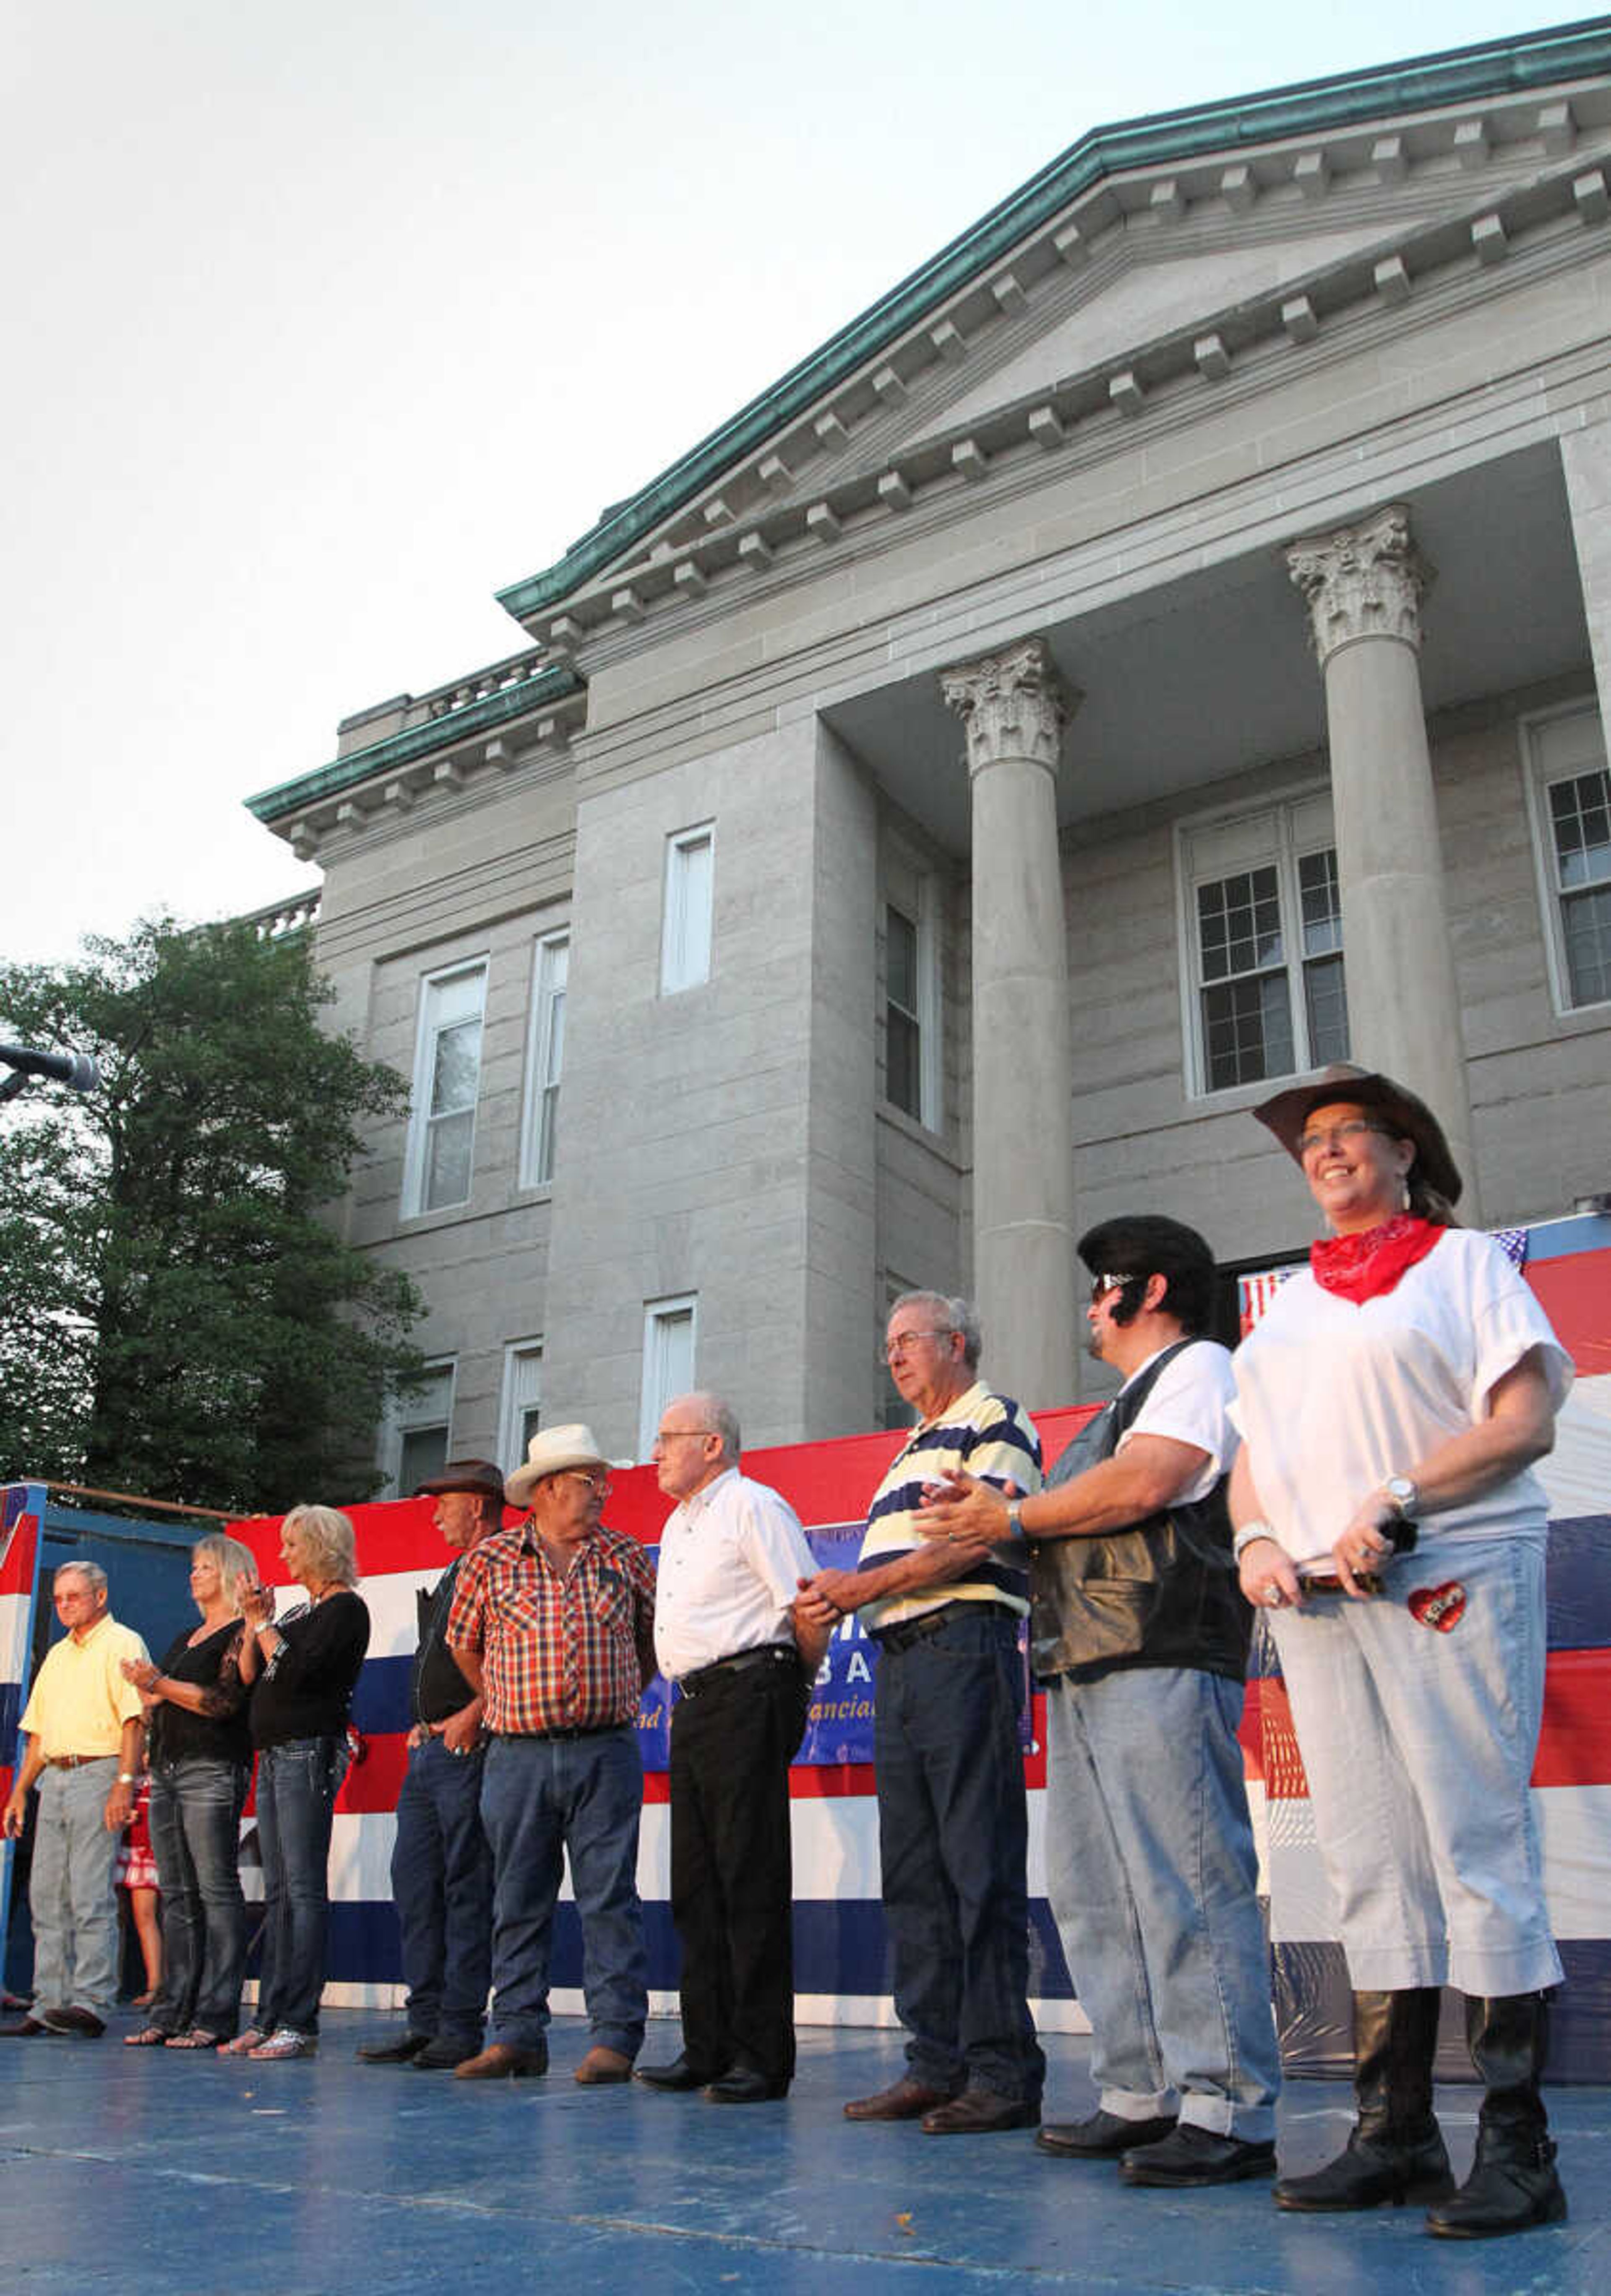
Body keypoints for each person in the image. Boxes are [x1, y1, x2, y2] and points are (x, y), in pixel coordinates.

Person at [1231, 1063, 1572, 2240]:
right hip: (1320, 1599)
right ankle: (1398, 2132)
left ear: (1404, 1151)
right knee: (1368, 1853)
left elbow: (1523, 1423)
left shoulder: (1467, 1264)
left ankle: (1522, 2150)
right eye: (1309, 1143)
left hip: (1451, 1570)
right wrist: (1258, 1539)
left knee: (1476, 1839)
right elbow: (1252, 1460)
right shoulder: (1287, 1308)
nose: (1323, 1152)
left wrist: (1396, 1498)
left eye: (1346, 1134)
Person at [921, 1218, 1280, 2185]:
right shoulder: (1120, 1403)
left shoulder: (1199, 1364)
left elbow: (1154, 1478)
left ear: (1147, 1289)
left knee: (1183, 1878)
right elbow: (1067, 1518)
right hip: (1086, 1656)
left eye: (1100, 1288)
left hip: (1158, 1646)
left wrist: (1011, 1514)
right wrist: (987, 1519)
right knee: (1095, 1888)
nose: (1089, 1306)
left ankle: (1228, 2104)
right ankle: (1138, 2086)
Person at [795, 1291, 1045, 2133]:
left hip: (961, 1644)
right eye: (889, 1343)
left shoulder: (994, 1419)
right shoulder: (910, 1448)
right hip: (901, 1661)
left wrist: (862, 1585)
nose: (894, 1356)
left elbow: (983, 1536)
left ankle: (1002, 2071)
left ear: (959, 1343)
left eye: (909, 1341)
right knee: (913, 1874)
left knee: (977, 1864)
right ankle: (934, 2062)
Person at [446, 1424, 657, 2082]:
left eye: (601, 1481)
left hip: (605, 1750)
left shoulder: (627, 1556)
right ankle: (516, 2034)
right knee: (517, 1896)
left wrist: (611, 1692)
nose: (602, 1492)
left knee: (609, 1898)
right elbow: (465, 1647)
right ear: (547, 1489)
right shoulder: (490, 1562)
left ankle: (615, 2039)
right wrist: (509, 1701)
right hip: (517, 1756)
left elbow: (651, 1645)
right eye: (589, 1482)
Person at [636, 1392, 829, 2103]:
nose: (654, 1451)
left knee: (748, 1879)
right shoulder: (679, 1520)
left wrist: (790, 1688)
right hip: (690, 1707)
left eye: (668, 1437)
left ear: (712, 1444)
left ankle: (761, 2055)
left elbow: (806, 1605)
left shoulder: (753, 1504)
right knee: (696, 1884)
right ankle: (707, 2045)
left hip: (749, 1691)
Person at [358, 1459, 501, 2072]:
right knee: (416, 1885)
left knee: (465, 1886)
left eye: (443, 1502)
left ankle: (461, 2025)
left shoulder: (500, 1564)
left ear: (475, 1503)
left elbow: (510, 1654)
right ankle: (425, 2021)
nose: (435, 1513)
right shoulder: (456, 1568)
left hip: (470, 1748)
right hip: (431, 1750)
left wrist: (475, 1712)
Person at [224, 1505, 370, 2062]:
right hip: (275, 1754)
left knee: (304, 1890)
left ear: (316, 1547)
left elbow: (301, 1671)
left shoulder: (345, 1610)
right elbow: (246, 1673)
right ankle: (270, 2015)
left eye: (291, 1545)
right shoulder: (295, 1613)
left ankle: (299, 2021)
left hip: (309, 1752)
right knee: (281, 1891)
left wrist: (264, 1625)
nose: (283, 1556)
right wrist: (252, 1618)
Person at [118, 1532, 258, 2048]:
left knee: (216, 1890)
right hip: (171, 1768)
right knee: (176, 1891)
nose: (193, 1575)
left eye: (202, 1567)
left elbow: (224, 1701)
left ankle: (216, 2012)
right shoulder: (187, 1637)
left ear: (225, 1571)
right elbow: (170, 1696)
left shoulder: (242, 1633)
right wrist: (149, 1692)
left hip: (212, 1766)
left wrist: (157, 1684)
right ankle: (172, 2007)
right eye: (193, 1567)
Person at [0, 1561, 148, 2038]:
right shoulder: (60, 1655)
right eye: (60, 1598)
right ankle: (50, 2002)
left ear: (100, 1597)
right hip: (56, 1777)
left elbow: (133, 1720)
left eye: (75, 1597)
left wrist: (124, 1781)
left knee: (88, 1890)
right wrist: (21, 1791)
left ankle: (91, 2001)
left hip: (97, 1770)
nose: (65, 1605)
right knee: (46, 1894)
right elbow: (39, 1731)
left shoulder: (122, 1643)